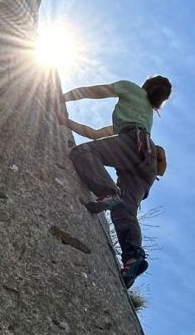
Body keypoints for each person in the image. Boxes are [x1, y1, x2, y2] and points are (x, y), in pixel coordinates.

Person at [59, 76, 172, 288]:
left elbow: (96, 91)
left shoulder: (132, 90)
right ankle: (132, 258)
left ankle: (108, 191)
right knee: (124, 211)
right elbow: (95, 133)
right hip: (146, 165)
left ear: (145, 86)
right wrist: (65, 122)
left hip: (134, 143)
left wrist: (61, 97)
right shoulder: (142, 115)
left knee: (83, 152)